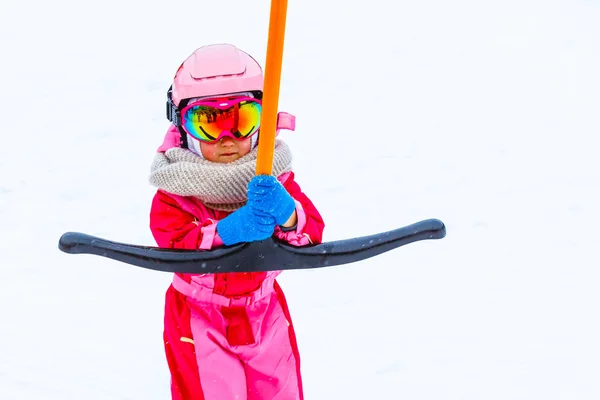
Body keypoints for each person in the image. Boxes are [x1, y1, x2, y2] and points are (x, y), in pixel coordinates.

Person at [148, 43, 325, 400]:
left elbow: (311, 232)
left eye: (242, 120)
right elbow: (173, 242)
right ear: (182, 127)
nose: (228, 139)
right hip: (200, 317)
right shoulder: (176, 189)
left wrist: (288, 213)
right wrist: (227, 232)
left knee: (281, 392)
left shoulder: (272, 176)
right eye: (208, 123)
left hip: (265, 313)